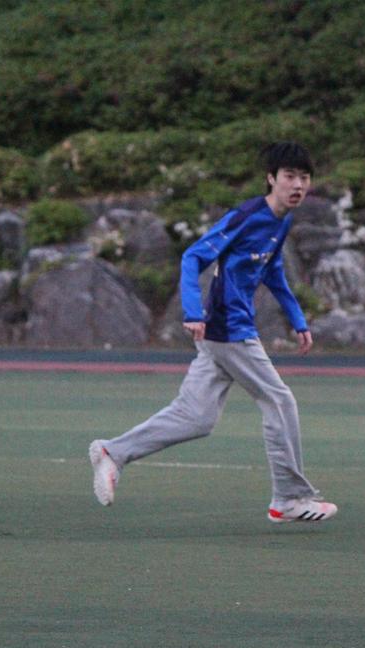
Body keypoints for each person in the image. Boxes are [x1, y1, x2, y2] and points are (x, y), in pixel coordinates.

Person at [90, 142, 337, 523]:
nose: (298, 185)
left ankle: (114, 452)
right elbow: (193, 256)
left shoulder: (282, 220)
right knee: (279, 401)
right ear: (271, 179)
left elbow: (272, 272)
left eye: (304, 178)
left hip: (225, 331)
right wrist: (192, 311)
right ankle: (288, 498)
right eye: (289, 176)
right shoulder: (245, 216)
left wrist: (297, 319)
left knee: (196, 417)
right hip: (228, 329)